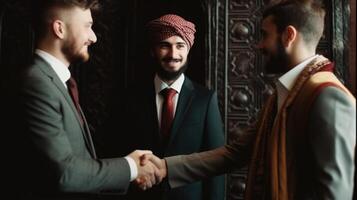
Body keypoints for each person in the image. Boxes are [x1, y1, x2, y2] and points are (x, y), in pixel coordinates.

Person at [140, 1, 356, 199]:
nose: (259, 45)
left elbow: (335, 194)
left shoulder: (327, 95)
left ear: (288, 36)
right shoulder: (286, 93)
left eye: (264, 35)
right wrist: (164, 167)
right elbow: (234, 154)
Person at [3, 0, 159, 199]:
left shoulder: (57, 83)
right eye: (88, 26)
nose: (93, 37)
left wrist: (131, 171)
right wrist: (130, 167)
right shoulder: (36, 84)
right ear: (59, 29)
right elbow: (64, 174)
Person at [101, 14, 225, 200]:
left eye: (180, 46)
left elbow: (216, 164)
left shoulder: (205, 100)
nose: (173, 54)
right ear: (153, 50)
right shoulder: (129, 98)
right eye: (165, 45)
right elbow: (114, 153)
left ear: (188, 49)